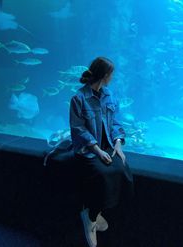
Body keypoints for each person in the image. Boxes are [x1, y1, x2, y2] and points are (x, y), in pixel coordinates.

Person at [69, 57, 134, 247]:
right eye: (111, 74)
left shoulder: (110, 96)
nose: (113, 77)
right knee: (103, 175)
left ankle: (95, 213)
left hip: (107, 147)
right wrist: (97, 151)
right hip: (88, 150)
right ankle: (89, 217)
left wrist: (118, 144)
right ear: (105, 75)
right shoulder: (78, 98)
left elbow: (115, 122)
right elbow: (78, 129)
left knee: (123, 171)